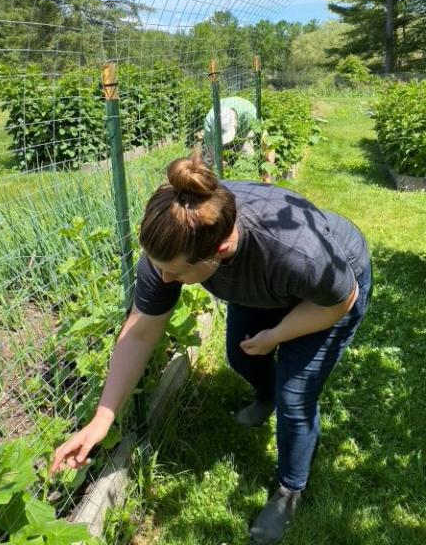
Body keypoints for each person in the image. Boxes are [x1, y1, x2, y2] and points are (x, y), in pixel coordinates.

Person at [51, 149, 373, 544]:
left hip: (331, 290)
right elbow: (140, 333)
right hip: (264, 285)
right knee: (240, 354)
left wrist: (275, 336)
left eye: (176, 270)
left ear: (219, 251)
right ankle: (265, 394)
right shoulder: (176, 240)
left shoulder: (294, 251)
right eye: (158, 265)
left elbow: (341, 301)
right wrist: (102, 418)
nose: (164, 277)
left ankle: (290, 489)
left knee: (296, 394)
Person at [202, 95, 256, 163]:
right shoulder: (209, 123)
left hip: (244, 125)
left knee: (247, 153)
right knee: (210, 159)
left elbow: (266, 140)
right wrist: (219, 162)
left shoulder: (249, 114)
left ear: (235, 123)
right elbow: (212, 149)